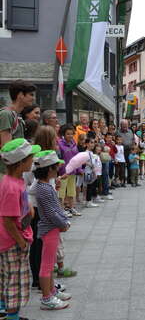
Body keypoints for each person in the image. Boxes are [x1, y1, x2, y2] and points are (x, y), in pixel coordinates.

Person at [0, 138, 40, 320]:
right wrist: (21, 242)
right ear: (21, 162)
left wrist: (29, 209)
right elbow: (8, 220)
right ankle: (12, 316)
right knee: (15, 280)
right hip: (12, 241)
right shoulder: (10, 187)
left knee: (6, 276)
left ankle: (4, 309)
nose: (33, 160)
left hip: (15, 237)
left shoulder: (15, 180)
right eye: (31, 157)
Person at [33, 150, 72, 310]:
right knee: (47, 266)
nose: (58, 169)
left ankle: (51, 290)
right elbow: (51, 212)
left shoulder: (45, 186)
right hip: (50, 229)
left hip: (51, 229)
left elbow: (54, 208)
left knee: (49, 264)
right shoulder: (43, 188)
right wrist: (63, 223)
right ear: (49, 169)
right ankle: (46, 298)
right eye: (56, 166)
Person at [0, 81, 36, 177]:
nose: (33, 98)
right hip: (5, 172)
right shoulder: (6, 114)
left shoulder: (17, 116)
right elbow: (7, 148)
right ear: (20, 95)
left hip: (14, 171)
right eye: (31, 95)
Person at [57, 124, 81, 217]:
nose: (70, 136)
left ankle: (71, 208)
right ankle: (61, 209)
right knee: (62, 191)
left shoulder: (74, 143)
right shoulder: (60, 144)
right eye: (68, 134)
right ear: (63, 134)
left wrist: (79, 169)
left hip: (73, 171)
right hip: (63, 172)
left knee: (72, 191)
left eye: (72, 134)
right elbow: (59, 158)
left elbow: (77, 157)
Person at [118, 120, 135, 184]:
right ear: (121, 125)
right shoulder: (118, 132)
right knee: (121, 166)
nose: (125, 126)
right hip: (121, 151)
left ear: (128, 125)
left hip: (130, 150)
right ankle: (122, 180)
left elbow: (133, 140)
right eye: (123, 124)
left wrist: (133, 147)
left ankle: (130, 180)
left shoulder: (130, 131)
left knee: (130, 165)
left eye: (126, 124)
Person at [84, 138, 99, 208]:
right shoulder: (86, 152)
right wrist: (89, 164)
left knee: (91, 186)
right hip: (88, 172)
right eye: (91, 142)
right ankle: (88, 201)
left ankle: (89, 200)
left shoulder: (91, 152)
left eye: (93, 143)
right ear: (87, 144)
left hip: (91, 171)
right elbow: (83, 161)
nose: (92, 144)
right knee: (89, 186)